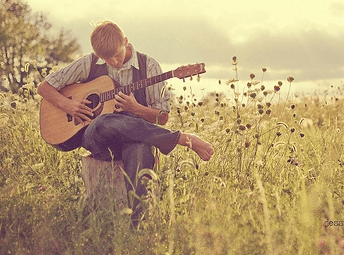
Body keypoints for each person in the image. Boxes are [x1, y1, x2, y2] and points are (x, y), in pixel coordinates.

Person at [37, 20, 214, 227]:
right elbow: (44, 87)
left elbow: (162, 117)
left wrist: (136, 109)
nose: (112, 61)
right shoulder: (90, 63)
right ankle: (181, 139)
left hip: (136, 138)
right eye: (106, 58)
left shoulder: (149, 67)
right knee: (103, 121)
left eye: (117, 55)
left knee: (139, 148)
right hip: (98, 138)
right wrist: (68, 106)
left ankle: (137, 224)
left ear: (126, 42)